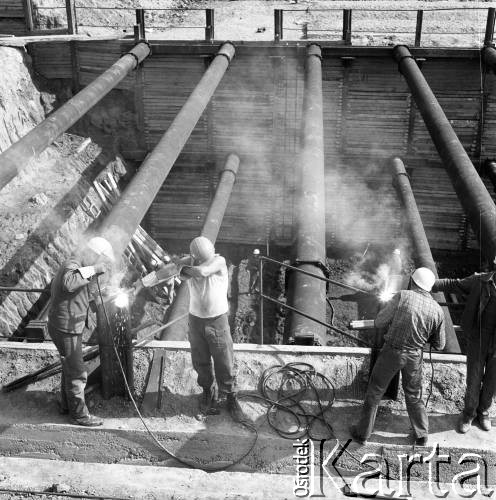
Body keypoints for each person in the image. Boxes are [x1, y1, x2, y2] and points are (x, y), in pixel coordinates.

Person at [350, 267, 445, 446]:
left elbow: (379, 321)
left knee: (375, 391)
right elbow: (440, 345)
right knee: (414, 395)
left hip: (392, 352)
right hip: (415, 357)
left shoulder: (403, 296)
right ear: (429, 287)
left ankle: (362, 434)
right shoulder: (438, 310)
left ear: (413, 281)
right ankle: (422, 434)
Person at [48, 236, 114, 427]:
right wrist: (96, 268)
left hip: (66, 326)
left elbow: (84, 297)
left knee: (70, 366)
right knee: (77, 371)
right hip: (65, 328)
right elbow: (69, 283)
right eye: (99, 260)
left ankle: (66, 405)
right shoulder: (71, 265)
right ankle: (79, 415)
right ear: (93, 254)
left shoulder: (81, 269)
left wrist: (106, 300)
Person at [180, 236, 247, 423]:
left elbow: (203, 272)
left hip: (217, 320)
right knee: (200, 359)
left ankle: (231, 396)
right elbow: (165, 272)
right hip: (195, 321)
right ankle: (208, 392)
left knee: (224, 359)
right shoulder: (190, 262)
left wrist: (183, 268)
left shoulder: (218, 261)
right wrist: (141, 284)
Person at [432, 261, 496, 433]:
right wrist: (428, 283)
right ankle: (468, 414)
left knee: (492, 381)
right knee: (473, 379)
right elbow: (455, 284)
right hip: (478, 339)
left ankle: (483, 412)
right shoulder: (480, 281)